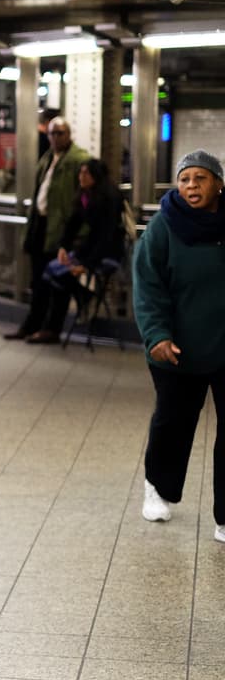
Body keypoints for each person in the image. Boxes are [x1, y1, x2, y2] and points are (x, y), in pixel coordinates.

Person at [132, 150, 225, 533]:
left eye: (200, 178)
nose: (191, 186)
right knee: (174, 421)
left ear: (219, 183)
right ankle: (157, 487)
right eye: (185, 179)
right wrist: (157, 335)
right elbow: (148, 285)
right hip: (176, 348)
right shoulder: (163, 227)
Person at [6, 116, 90, 343]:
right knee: (38, 281)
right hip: (41, 226)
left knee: (57, 281)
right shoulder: (46, 159)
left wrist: (77, 235)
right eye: (52, 133)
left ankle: (52, 328)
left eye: (60, 133)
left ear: (69, 134)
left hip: (61, 231)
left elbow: (83, 199)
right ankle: (32, 325)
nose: (55, 137)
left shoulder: (79, 160)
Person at [38, 158, 127, 334]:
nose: (81, 176)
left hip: (107, 252)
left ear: (96, 175)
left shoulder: (109, 196)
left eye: (86, 173)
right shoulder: (85, 194)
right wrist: (63, 247)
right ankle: (83, 299)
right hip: (89, 248)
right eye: (81, 172)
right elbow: (73, 223)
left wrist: (85, 265)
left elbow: (106, 235)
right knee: (51, 271)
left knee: (63, 274)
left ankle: (85, 298)